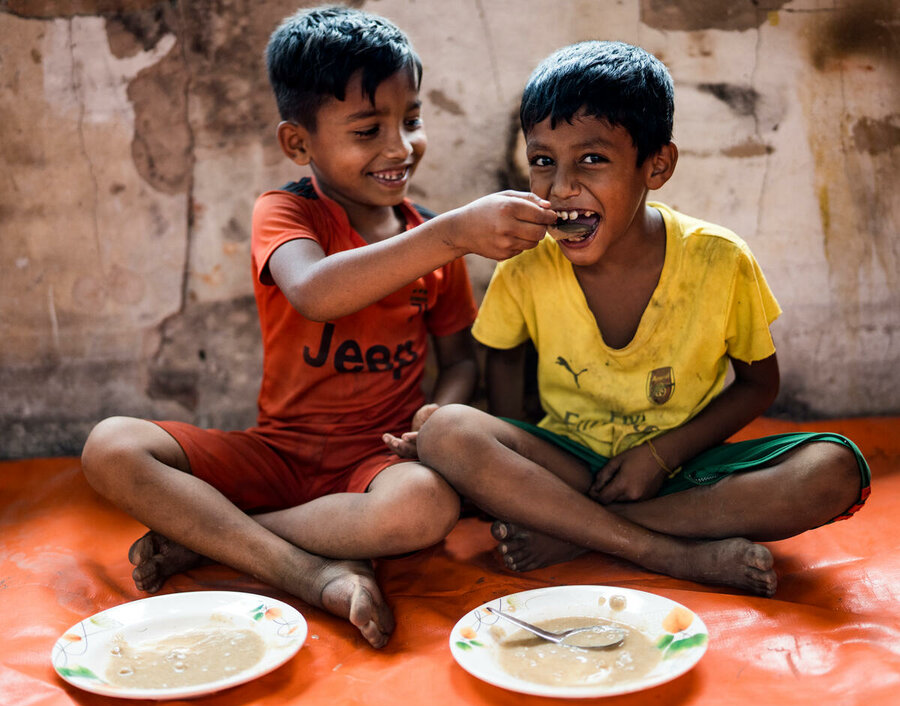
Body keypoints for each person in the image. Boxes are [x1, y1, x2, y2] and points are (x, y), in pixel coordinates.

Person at [81, 5, 556, 649]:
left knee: (427, 506)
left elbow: (461, 361)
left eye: (411, 120)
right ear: (299, 144)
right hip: (279, 452)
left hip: (376, 462)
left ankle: (218, 534)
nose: (399, 147)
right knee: (110, 446)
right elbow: (313, 292)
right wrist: (454, 234)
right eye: (368, 129)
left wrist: (433, 422)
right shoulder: (288, 211)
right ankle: (310, 573)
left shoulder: (430, 242)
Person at [417, 41, 870, 597]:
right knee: (442, 430)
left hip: (685, 470)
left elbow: (758, 385)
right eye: (543, 161)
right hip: (571, 464)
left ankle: (575, 531)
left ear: (658, 165)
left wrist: (659, 456)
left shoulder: (719, 259)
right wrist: (520, 458)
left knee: (835, 467)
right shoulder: (525, 263)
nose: (560, 188)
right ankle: (672, 553)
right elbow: (503, 366)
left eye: (592, 159)